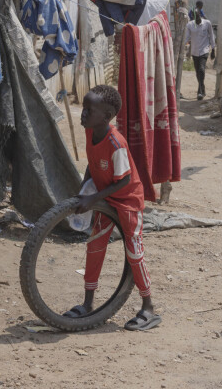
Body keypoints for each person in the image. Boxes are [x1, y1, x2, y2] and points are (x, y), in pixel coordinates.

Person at [63, 85, 161, 331]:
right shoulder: (90, 132)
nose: (83, 114)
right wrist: (85, 188)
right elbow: (93, 163)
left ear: (106, 117)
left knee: (134, 253)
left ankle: (148, 307)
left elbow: (125, 180)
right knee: (95, 246)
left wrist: (94, 198)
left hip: (127, 201)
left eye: (88, 110)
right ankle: (88, 304)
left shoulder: (116, 144)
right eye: (83, 109)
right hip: (105, 199)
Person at [183, 10, 215, 100]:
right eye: (195, 18)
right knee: (198, 72)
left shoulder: (207, 23)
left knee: (201, 69)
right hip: (195, 52)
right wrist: (181, 47)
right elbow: (187, 37)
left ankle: (200, 92)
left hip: (204, 51)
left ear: (200, 15)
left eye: (198, 17)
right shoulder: (190, 25)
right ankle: (202, 89)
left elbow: (211, 35)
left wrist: (213, 49)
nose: (198, 20)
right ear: (193, 18)